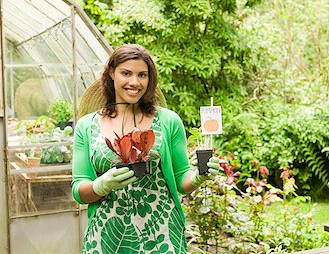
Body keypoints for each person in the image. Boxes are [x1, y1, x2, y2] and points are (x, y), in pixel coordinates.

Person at [72, 44, 223, 254]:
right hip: (107, 239)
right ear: (111, 73)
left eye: (142, 75)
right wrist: (102, 185)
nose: (134, 82)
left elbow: (181, 180)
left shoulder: (169, 121)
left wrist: (198, 176)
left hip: (161, 236)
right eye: (126, 73)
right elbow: (79, 191)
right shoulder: (87, 126)